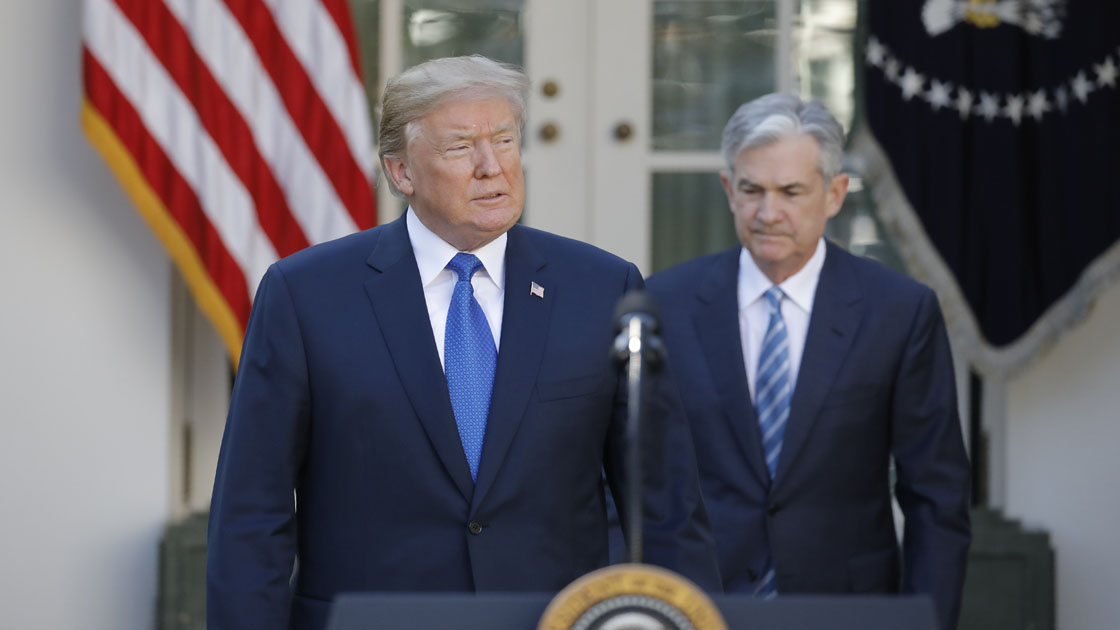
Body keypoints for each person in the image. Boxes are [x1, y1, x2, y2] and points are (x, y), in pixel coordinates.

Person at [206, 55, 720, 630]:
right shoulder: (306, 295)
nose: (491, 167)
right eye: (459, 148)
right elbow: (252, 513)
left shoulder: (603, 288)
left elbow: (666, 504)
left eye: (504, 140)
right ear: (401, 172)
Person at [646, 93, 970, 628]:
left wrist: (926, 621)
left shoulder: (899, 312)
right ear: (729, 189)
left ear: (835, 193)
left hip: (848, 608)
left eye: (791, 192)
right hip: (699, 605)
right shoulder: (664, 303)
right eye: (751, 190)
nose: (768, 213)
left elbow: (937, 497)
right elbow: (630, 478)